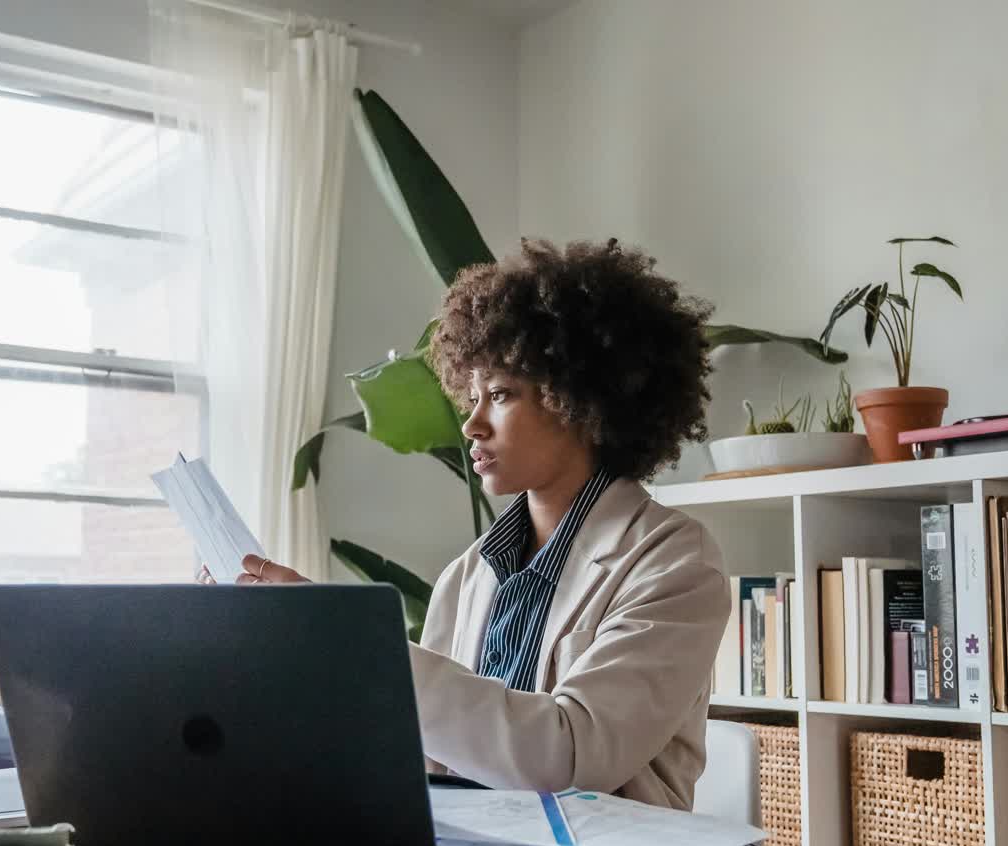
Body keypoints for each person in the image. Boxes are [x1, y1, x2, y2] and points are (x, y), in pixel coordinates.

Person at [229, 238, 730, 810]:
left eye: (499, 394)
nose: (471, 424)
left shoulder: (675, 564)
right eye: (472, 396)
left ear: (581, 399)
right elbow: (420, 757)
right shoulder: (467, 575)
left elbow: (569, 758)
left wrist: (355, 647)